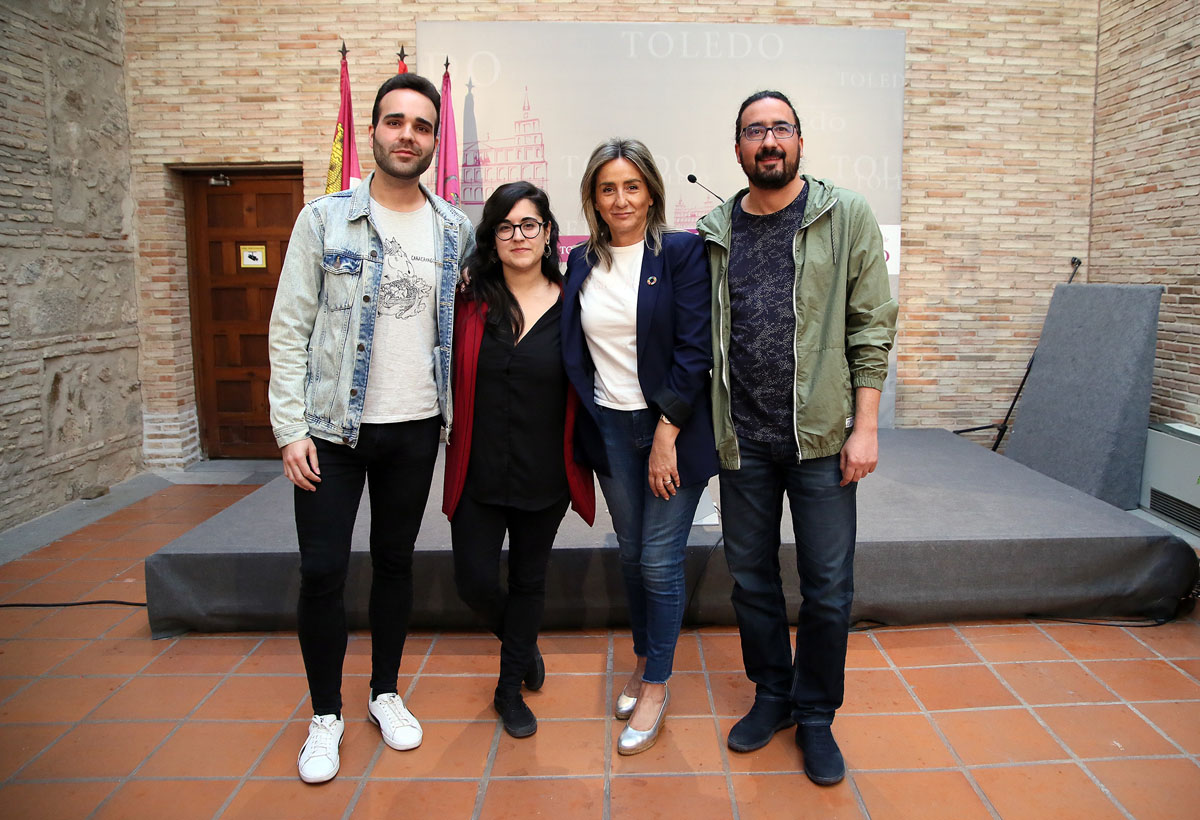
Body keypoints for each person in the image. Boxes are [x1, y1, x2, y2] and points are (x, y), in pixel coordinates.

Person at [267, 72, 474, 784]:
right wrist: (290, 428)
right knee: (322, 572)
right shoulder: (323, 219)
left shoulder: (455, 227)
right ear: (374, 131)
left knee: (395, 564)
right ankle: (325, 713)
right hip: (331, 431)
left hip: (415, 428)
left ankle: (384, 692)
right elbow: (289, 326)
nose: (407, 135)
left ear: (433, 139)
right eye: (395, 122)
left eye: (421, 125)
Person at [696, 90, 898, 785]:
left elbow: (872, 324)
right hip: (742, 441)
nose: (769, 140)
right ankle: (773, 695)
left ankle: (815, 716)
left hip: (820, 441)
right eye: (755, 130)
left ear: (801, 142)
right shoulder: (715, 228)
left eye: (781, 128)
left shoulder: (846, 215)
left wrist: (865, 427)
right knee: (751, 582)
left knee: (829, 589)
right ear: (739, 149)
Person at [563, 138, 718, 755]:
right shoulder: (580, 262)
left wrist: (666, 434)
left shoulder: (679, 252)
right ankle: (642, 657)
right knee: (631, 556)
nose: (620, 199)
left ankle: (656, 683)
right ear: (593, 199)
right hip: (608, 428)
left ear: (651, 190)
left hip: (669, 433)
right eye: (608, 188)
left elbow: (694, 351)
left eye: (631, 186)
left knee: (657, 558)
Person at [443, 181, 595, 738]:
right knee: (473, 582)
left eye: (529, 224)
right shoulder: (468, 301)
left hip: (545, 472)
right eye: (505, 227)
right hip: (478, 470)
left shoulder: (575, 301)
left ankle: (509, 691)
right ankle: (523, 645)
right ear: (492, 238)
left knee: (530, 581)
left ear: (548, 232)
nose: (519, 236)